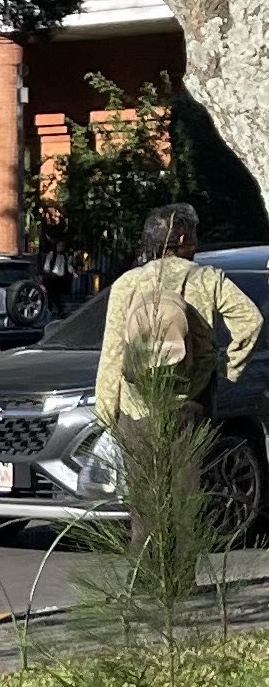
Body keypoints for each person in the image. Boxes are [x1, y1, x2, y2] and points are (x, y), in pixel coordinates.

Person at [95, 202, 263, 544]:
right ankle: (180, 583)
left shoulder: (127, 284)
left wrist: (107, 413)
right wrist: (227, 366)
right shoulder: (208, 279)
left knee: (144, 503)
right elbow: (251, 322)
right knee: (187, 499)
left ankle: (147, 579)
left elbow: (112, 352)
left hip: (136, 407)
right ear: (183, 238)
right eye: (194, 238)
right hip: (191, 404)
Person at [42, 239, 75, 311]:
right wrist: (50, 273)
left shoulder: (64, 256)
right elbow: (46, 267)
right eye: (59, 246)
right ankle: (56, 310)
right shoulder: (52, 254)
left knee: (56, 295)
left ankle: (54, 310)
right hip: (52, 278)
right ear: (56, 246)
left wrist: (71, 271)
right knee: (52, 295)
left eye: (63, 246)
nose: (61, 248)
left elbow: (67, 266)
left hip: (60, 279)